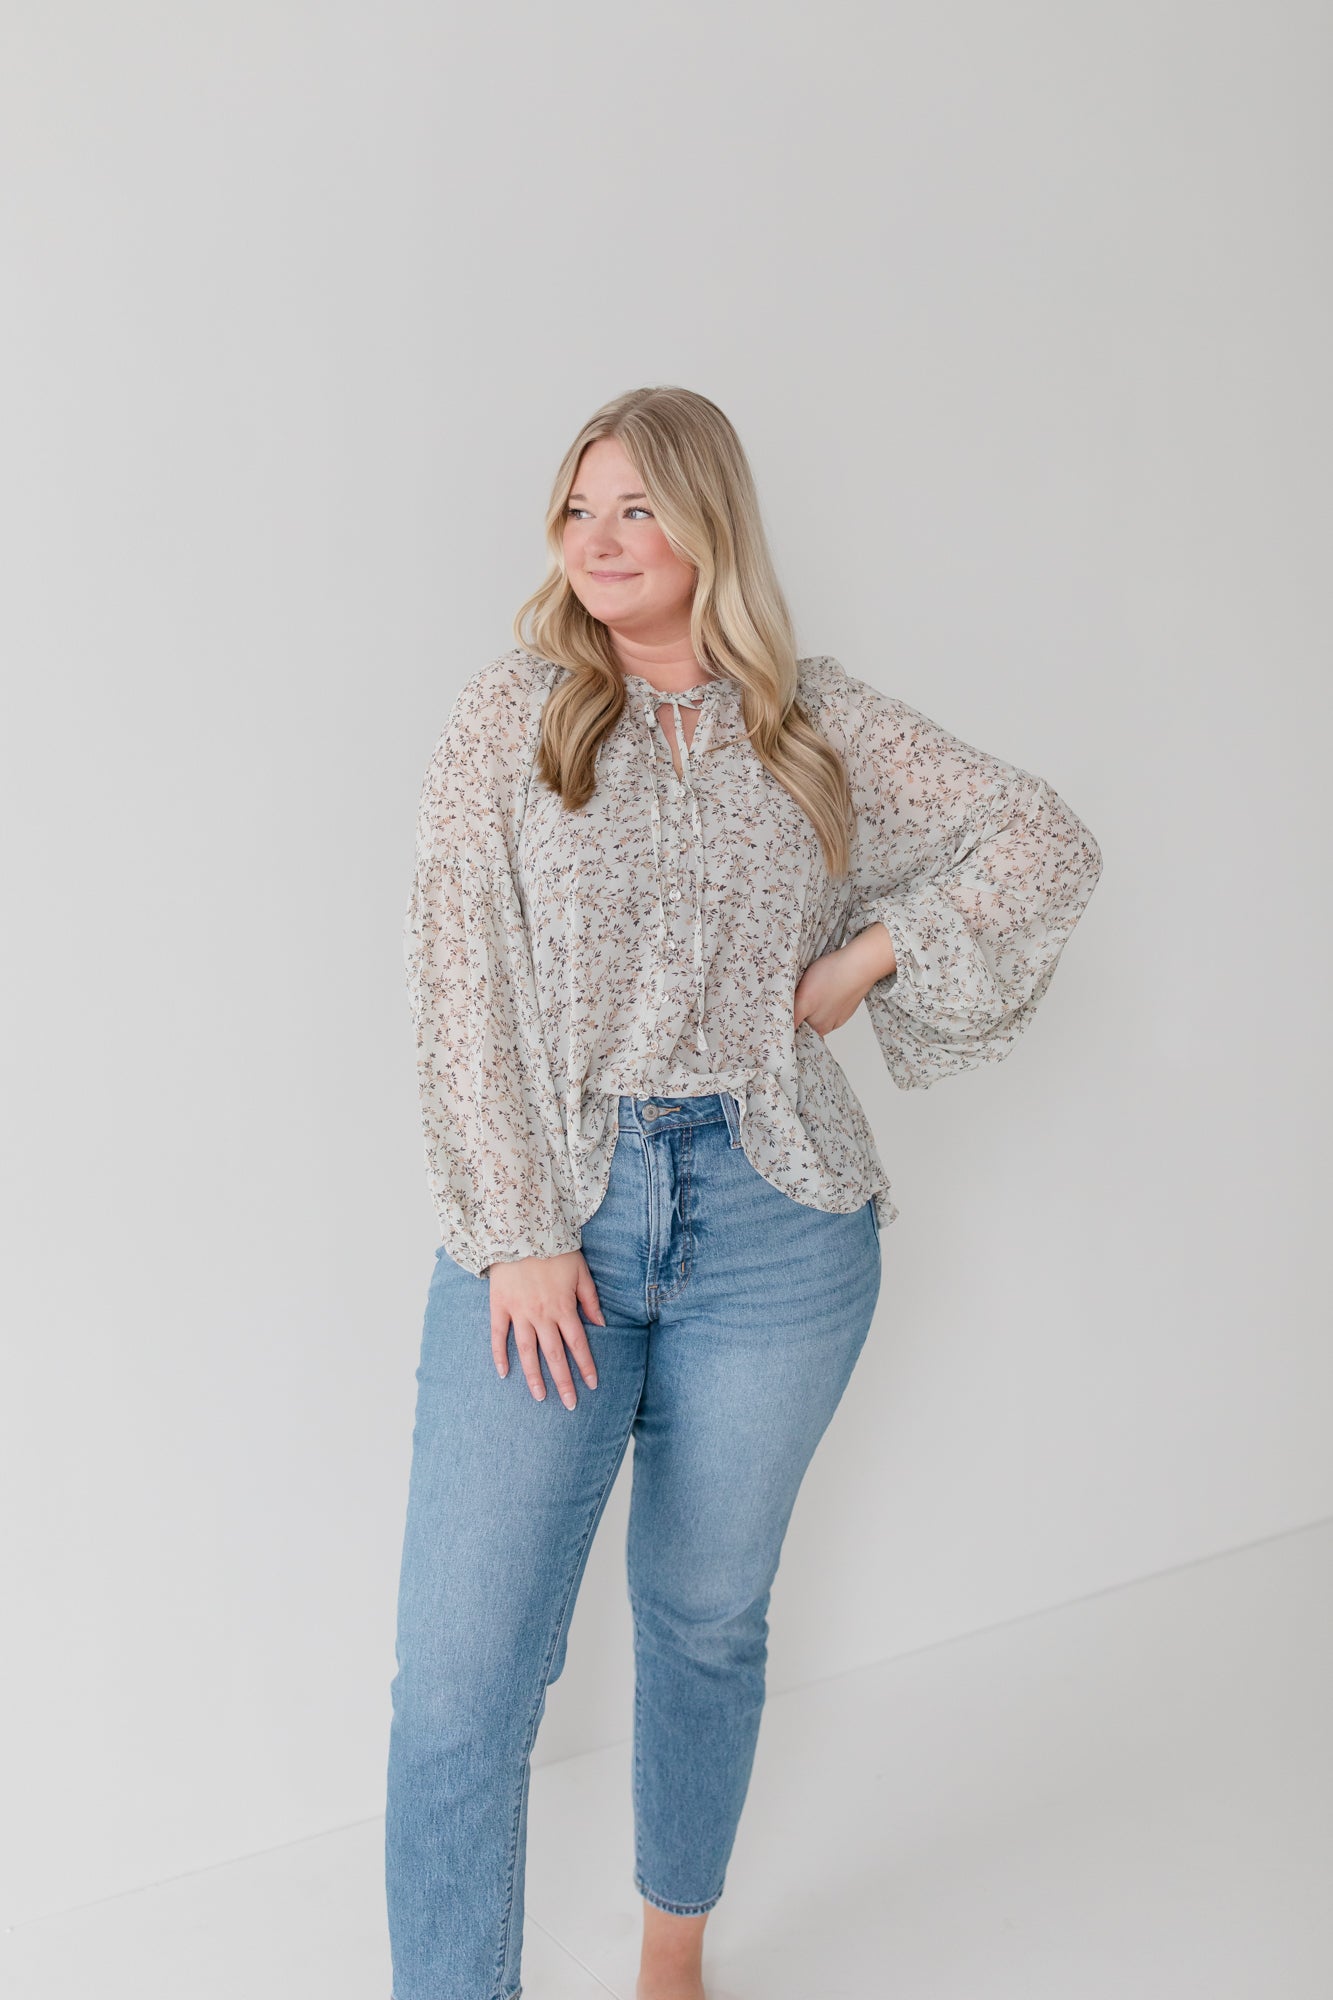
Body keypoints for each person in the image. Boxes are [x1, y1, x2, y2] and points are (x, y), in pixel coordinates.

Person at [385, 385, 1103, 2000]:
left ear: (710, 523)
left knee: (705, 1616)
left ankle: (672, 1959)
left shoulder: (810, 718)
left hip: (779, 1222)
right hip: (556, 1228)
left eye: (636, 508)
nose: (599, 541)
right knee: (457, 1686)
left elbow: (1041, 839)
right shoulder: (512, 714)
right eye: (578, 511)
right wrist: (517, 1235)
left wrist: (864, 957)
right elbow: (458, 981)